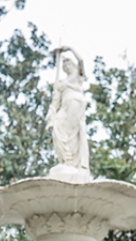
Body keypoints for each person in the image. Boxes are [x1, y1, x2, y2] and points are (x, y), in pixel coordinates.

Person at [46, 47, 90, 182]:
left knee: (72, 132)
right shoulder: (60, 82)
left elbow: (81, 60)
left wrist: (69, 48)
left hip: (76, 103)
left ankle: (72, 162)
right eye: (64, 64)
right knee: (58, 129)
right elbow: (55, 101)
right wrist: (50, 113)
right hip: (64, 107)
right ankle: (65, 160)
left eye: (68, 63)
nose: (66, 66)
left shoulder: (78, 74)